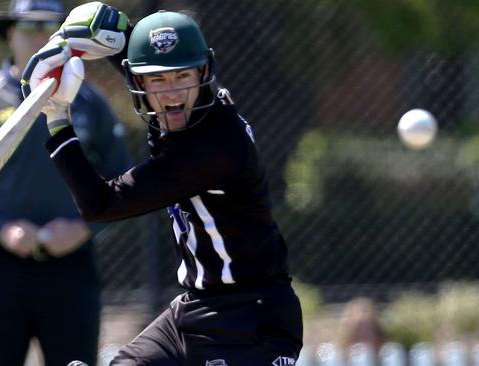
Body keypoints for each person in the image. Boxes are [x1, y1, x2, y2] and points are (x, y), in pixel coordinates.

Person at [22, 2, 303, 365]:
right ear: (139, 83)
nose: (170, 94)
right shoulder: (185, 113)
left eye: (182, 78)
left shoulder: (211, 147)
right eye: (157, 80)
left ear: (203, 73)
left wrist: (58, 122)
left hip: (254, 321)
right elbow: (148, 60)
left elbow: (100, 205)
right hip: (194, 310)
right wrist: (114, 35)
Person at [0, 1, 131, 365]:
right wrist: (3, 230)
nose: (40, 35)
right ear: (10, 33)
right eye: (29, 26)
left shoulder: (89, 102)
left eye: (50, 26)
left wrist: (83, 229)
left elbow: (124, 183)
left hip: (72, 267)